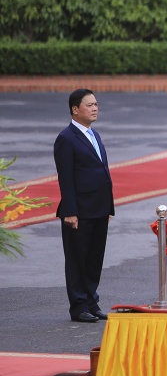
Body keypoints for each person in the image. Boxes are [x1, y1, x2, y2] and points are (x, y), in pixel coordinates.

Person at [54, 88, 114, 324]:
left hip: (98, 208)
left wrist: (108, 206)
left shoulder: (94, 135)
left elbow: (103, 173)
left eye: (96, 104)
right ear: (75, 109)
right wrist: (70, 211)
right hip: (78, 211)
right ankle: (78, 306)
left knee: (94, 259)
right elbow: (65, 177)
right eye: (89, 105)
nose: (95, 108)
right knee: (77, 259)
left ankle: (91, 301)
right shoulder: (66, 138)